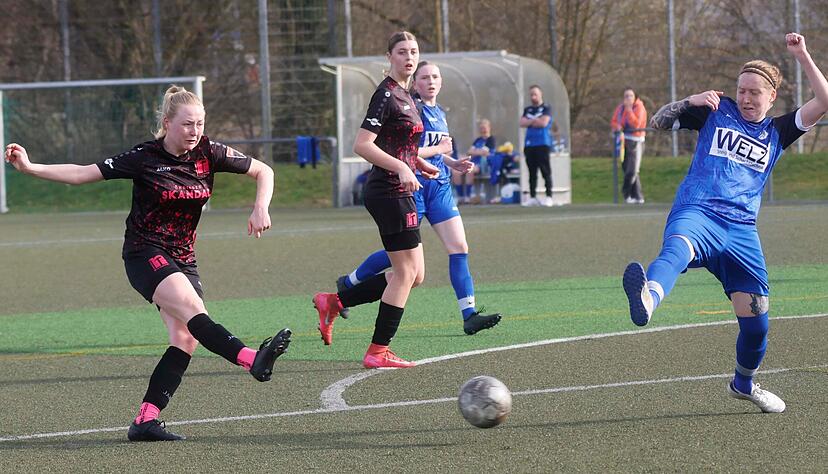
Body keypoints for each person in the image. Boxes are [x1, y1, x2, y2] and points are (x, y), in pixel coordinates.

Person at [4, 86, 292, 442]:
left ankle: (146, 420)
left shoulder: (209, 152)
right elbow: (82, 173)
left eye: (200, 123)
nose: (195, 130)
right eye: (187, 124)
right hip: (144, 252)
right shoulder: (144, 156)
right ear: (167, 123)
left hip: (184, 255)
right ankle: (251, 358)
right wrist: (30, 168)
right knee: (190, 309)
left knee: (186, 337)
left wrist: (261, 205)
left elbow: (264, 171)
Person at [622, 33, 827, 414]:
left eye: (754, 93)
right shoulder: (716, 110)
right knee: (676, 250)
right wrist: (689, 101)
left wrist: (802, 56)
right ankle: (648, 298)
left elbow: (826, 101)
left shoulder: (778, 131)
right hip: (699, 211)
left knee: (757, 325)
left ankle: (743, 384)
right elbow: (657, 122)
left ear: (771, 98)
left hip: (742, 232)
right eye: (741, 90)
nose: (746, 98)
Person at [332, 61, 503, 337]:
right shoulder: (411, 108)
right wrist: (439, 149)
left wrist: (452, 161)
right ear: (416, 83)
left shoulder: (440, 112)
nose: (431, 81)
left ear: (441, 81)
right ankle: (349, 282)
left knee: (459, 246)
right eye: (425, 78)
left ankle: (469, 313)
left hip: (441, 188)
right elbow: (408, 153)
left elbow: (434, 152)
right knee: (401, 258)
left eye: (435, 76)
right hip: (413, 188)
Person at [311, 32, 440, 369]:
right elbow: (363, 144)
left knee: (415, 274)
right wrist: (400, 167)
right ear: (390, 57)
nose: (409, 57)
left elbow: (399, 142)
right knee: (406, 271)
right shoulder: (385, 94)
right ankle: (377, 351)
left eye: (413, 51)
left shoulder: (408, 96)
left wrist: (416, 162)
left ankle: (334, 301)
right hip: (387, 192)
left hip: (398, 189)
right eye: (402, 52)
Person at [610, 87, 648, 204]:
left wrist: (629, 110)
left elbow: (636, 124)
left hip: (635, 141)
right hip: (623, 141)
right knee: (626, 168)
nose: (628, 98)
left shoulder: (639, 108)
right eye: (626, 96)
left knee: (632, 170)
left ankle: (625, 192)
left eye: (630, 96)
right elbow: (614, 121)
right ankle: (637, 196)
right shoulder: (620, 108)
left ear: (635, 97)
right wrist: (618, 128)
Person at [519, 85, 555, 207]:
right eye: (531, 94)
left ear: (540, 94)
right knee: (531, 172)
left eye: (535, 94)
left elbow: (543, 123)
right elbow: (522, 122)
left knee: (545, 171)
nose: (533, 96)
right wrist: (535, 121)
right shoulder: (527, 109)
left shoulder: (546, 108)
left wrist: (531, 122)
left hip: (542, 143)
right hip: (529, 145)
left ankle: (549, 196)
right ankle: (533, 197)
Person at [453, 118, 495, 204]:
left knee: (469, 170)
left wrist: (475, 152)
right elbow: (469, 152)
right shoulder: (478, 140)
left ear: (489, 128)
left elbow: (485, 152)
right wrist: (477, 152)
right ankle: (461, 197)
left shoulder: (491, 139)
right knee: (456, 172)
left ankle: (468, 197)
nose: (482, 129)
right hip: (474, 162)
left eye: (484, 127)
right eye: (481, 128)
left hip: (484, 164)